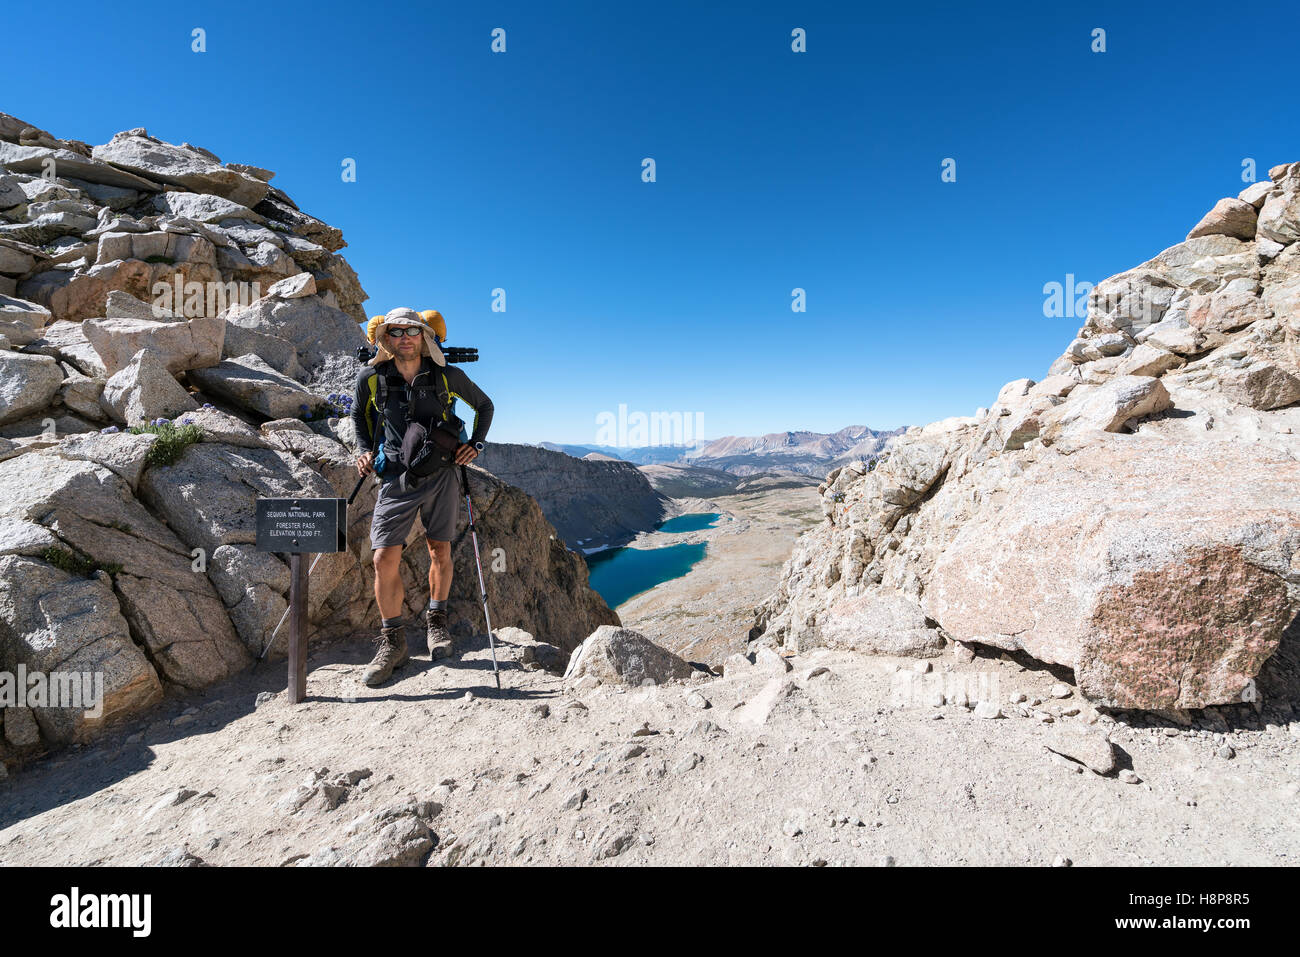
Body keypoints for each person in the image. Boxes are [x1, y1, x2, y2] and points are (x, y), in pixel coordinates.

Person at [350, 307, 494, 687]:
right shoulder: (372, 378)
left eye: (412, 331)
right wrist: (363, 449)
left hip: (441, 473)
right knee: (383, 556)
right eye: (396, 333)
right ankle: (393, 640)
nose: (405, 338)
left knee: (439, 550)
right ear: (386, 340)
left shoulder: (446, 376)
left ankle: (437, 623)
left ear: (424, 336)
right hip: (395, 477)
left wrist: (475, 445)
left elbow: (484, 406)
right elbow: (358, 417)